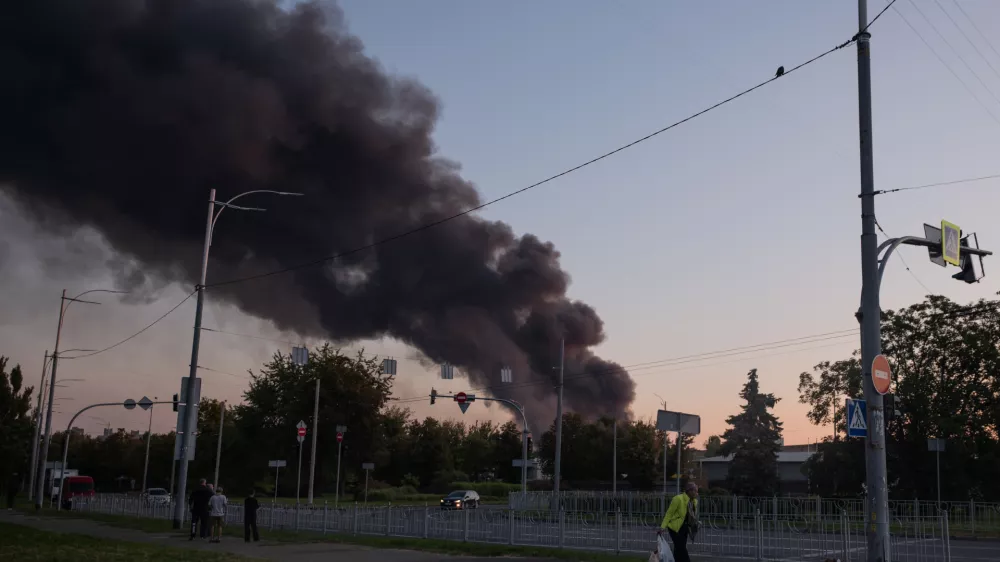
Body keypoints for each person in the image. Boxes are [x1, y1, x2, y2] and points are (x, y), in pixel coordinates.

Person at [658, 482, 700, 562]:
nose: (697, 493)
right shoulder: (678, 499)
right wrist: (662, 527)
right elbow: (669, 513)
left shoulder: (694, 501)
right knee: (682, 549)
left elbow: (691, 516)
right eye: (696, 491)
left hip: (685, 528)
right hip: (675, 528)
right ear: (689, 491)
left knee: (678, 549)